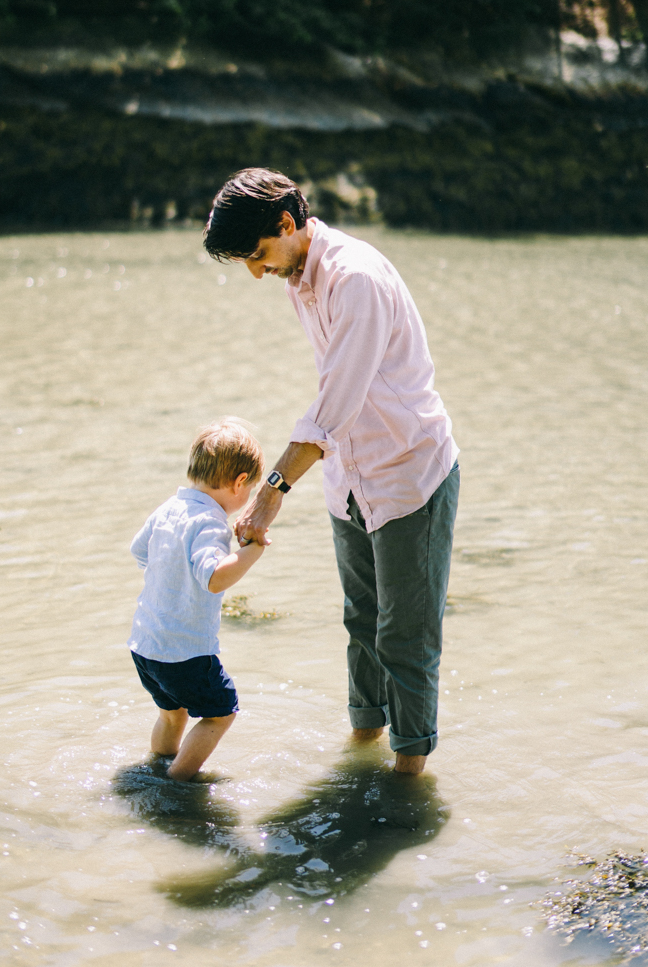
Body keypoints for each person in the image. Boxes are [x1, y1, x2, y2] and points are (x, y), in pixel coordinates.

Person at [204, 170, 459, 776]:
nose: (256, 272)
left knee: (406, 636)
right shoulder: (300, 277)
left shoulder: (356, 278)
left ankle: (405, 783)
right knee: (361, 623)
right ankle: (360, 754)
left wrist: (270, 493)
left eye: (258, 254)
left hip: (408, 476)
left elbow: (337, 400)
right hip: (349, 476)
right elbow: (335, 407)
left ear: (287, 224)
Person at [128, 418, 269, 781]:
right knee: (221, 712)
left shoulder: (168, 509)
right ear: (240, 483)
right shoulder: (210, 522)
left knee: (172, 713)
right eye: (250, 488)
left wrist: (171, 570)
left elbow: (139, 551)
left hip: (146, 645)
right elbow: (214, 578)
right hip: (185, 652)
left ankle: (158, 766)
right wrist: (254, 550)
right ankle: (178, 781)